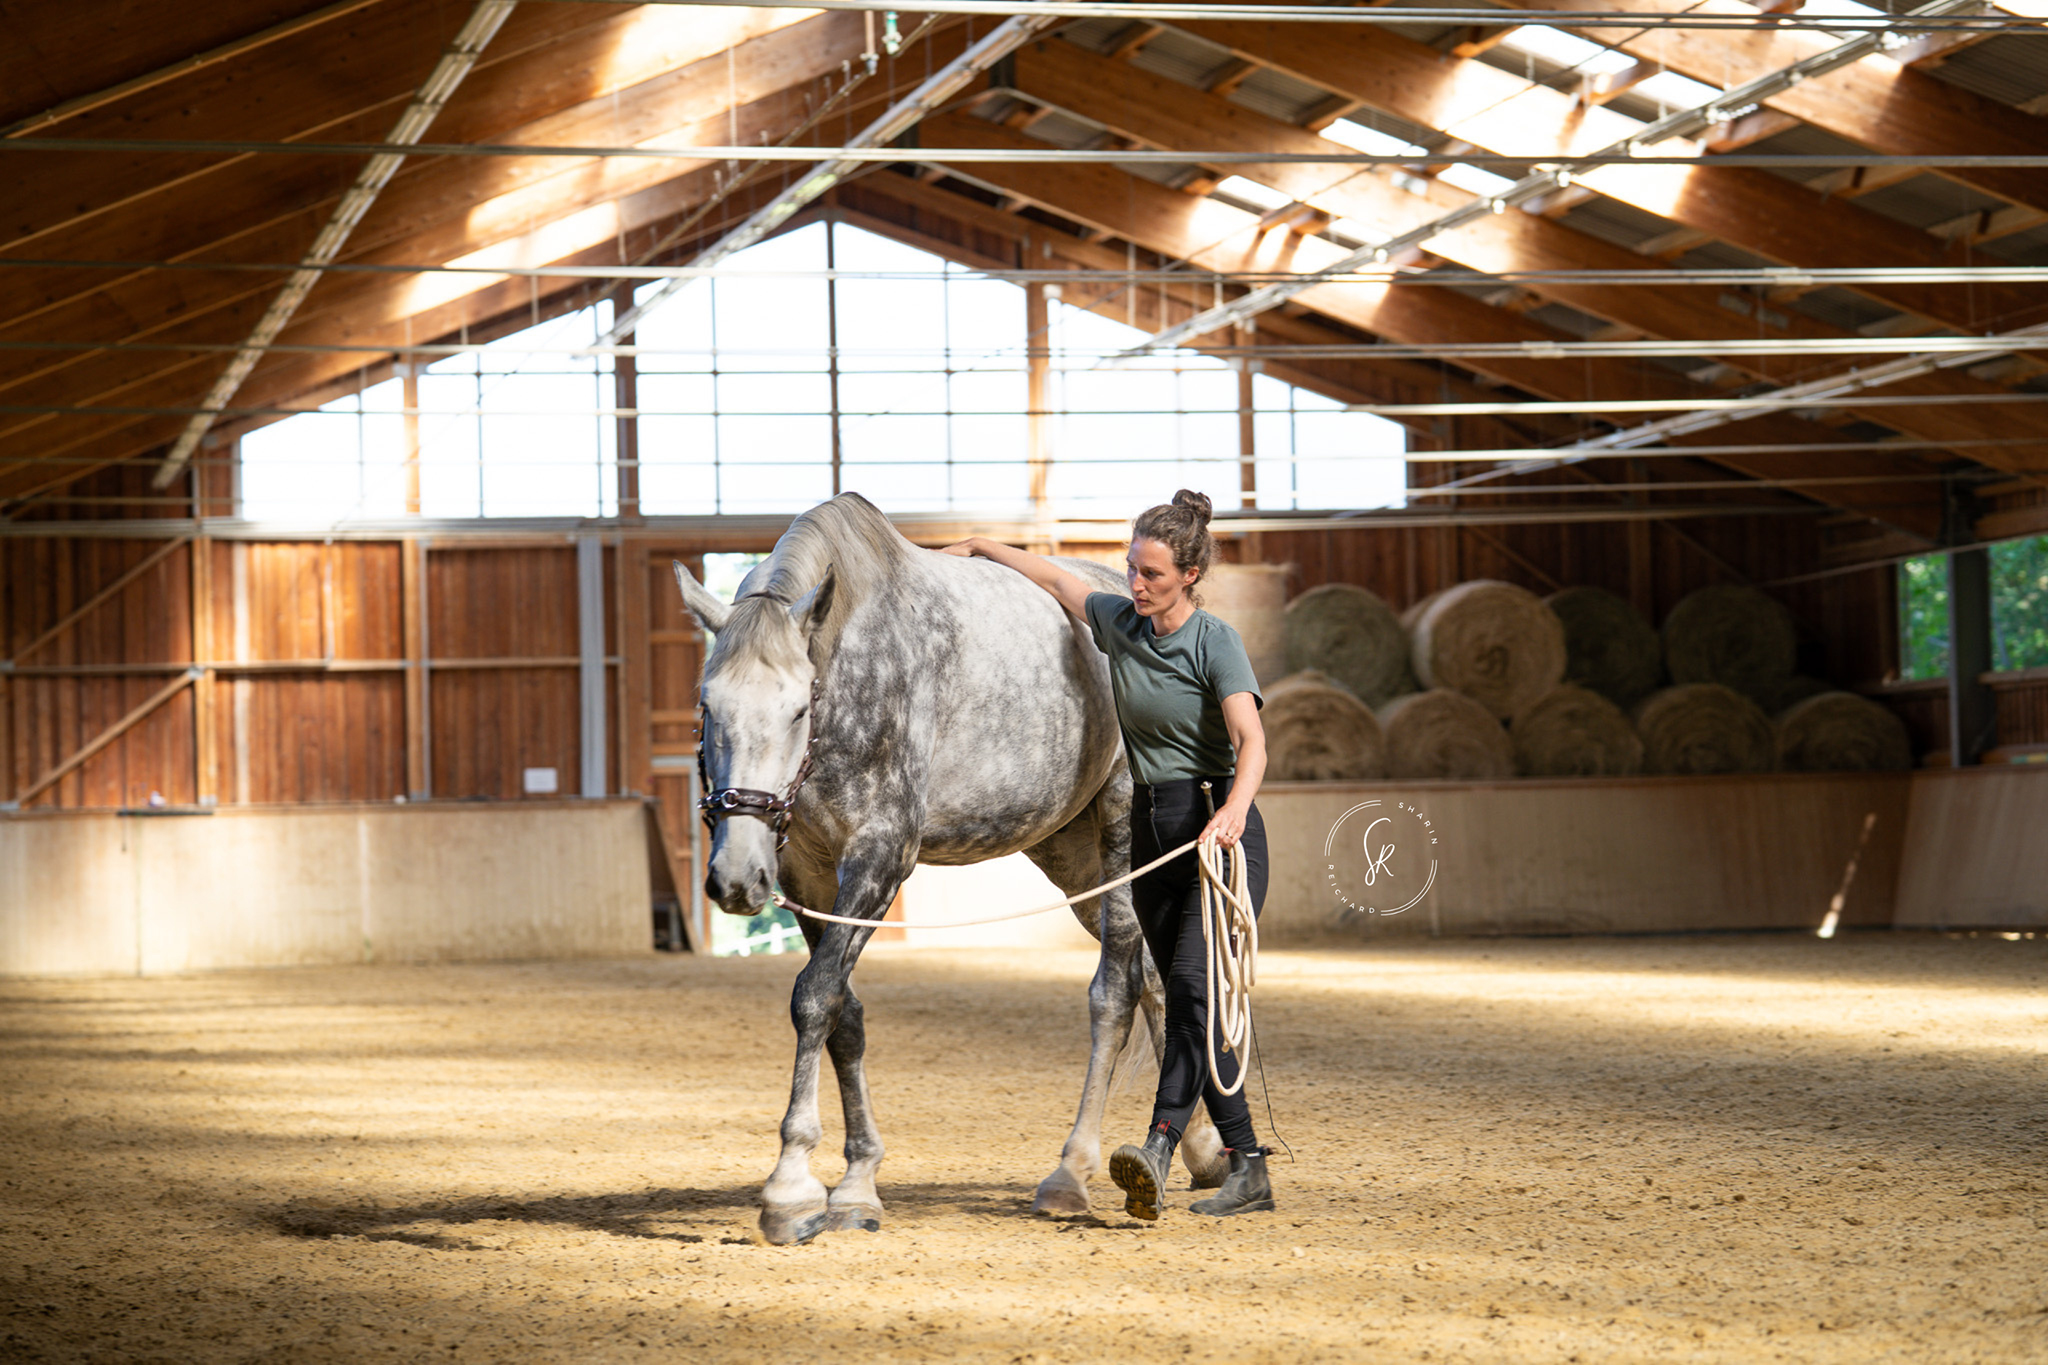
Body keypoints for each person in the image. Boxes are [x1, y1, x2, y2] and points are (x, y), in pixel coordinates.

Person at [941, 490, 1274, 1221]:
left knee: (1188, 991)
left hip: (1218, 834)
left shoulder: (1214, 642)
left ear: (1189, 573)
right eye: (1131, 568)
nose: (1137, 582)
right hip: (1154, 832)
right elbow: (1061, 582)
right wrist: (982, 546)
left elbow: (1253, 743)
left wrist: (1232, 812)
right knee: (1178, 989)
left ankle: (1157, 1145)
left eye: (1152, 572)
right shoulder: (1120, 623)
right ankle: (1247, 1162)